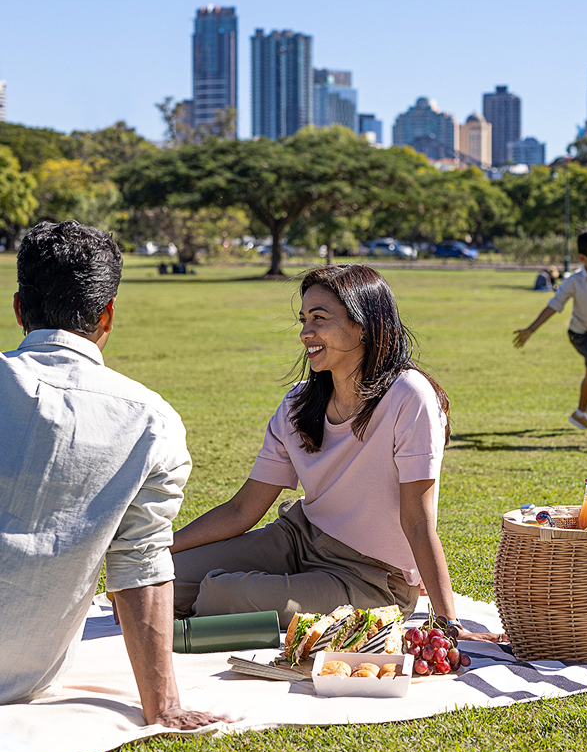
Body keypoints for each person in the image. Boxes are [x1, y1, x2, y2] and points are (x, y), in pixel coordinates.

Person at [172, 264, 499, 643]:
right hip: (299, 538)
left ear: (364, 327)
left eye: (319, 319)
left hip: (371, 578)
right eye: (304, 319)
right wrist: (158, 551)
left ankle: (218, 616)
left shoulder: (409, 396)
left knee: (222, 593)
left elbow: (417, 520)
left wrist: (446, 624)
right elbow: (242, 509)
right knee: (164, 578)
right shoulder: (298, 402)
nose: (305, 333)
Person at [0, 219, 221, 728]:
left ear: (18, 308)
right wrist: (164, 706)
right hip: (25, 679)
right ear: (108, 315)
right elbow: (141, 561)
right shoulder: (151, 420)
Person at [513, 229, 587, 431]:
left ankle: (579, 414)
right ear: (582, 258)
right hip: (581, 334)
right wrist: (531, 329)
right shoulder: (573, 281)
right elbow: (554, 306)